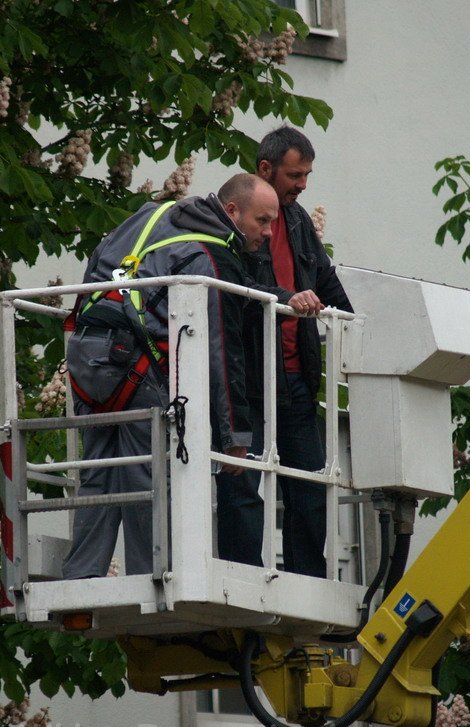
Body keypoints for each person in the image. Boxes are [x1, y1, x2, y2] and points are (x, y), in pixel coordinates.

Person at [61, 173, 279, 579]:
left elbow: (96, 264)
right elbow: (221, 350)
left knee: (99, 474)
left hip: (88, 355)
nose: (267, 233)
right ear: (231, 212)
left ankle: (81, 576)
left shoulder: (153, 214)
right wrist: (234, 439)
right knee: (151, 478)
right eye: (262, 221)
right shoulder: (211, 256)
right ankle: (156, 581)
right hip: (136, 367)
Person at [215, 127, 353, 578]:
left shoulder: (296, 222)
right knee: (243, 489)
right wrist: (286, 298)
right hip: (251, 380)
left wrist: (356, 325)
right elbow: (239, 290)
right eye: (295, 174)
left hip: (294, 380)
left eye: (307, 175)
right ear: (265, 170)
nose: (302, 185)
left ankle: (306, 585)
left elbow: (325, 279)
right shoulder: (229, 223)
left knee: (310, 490)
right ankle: (243, 581)